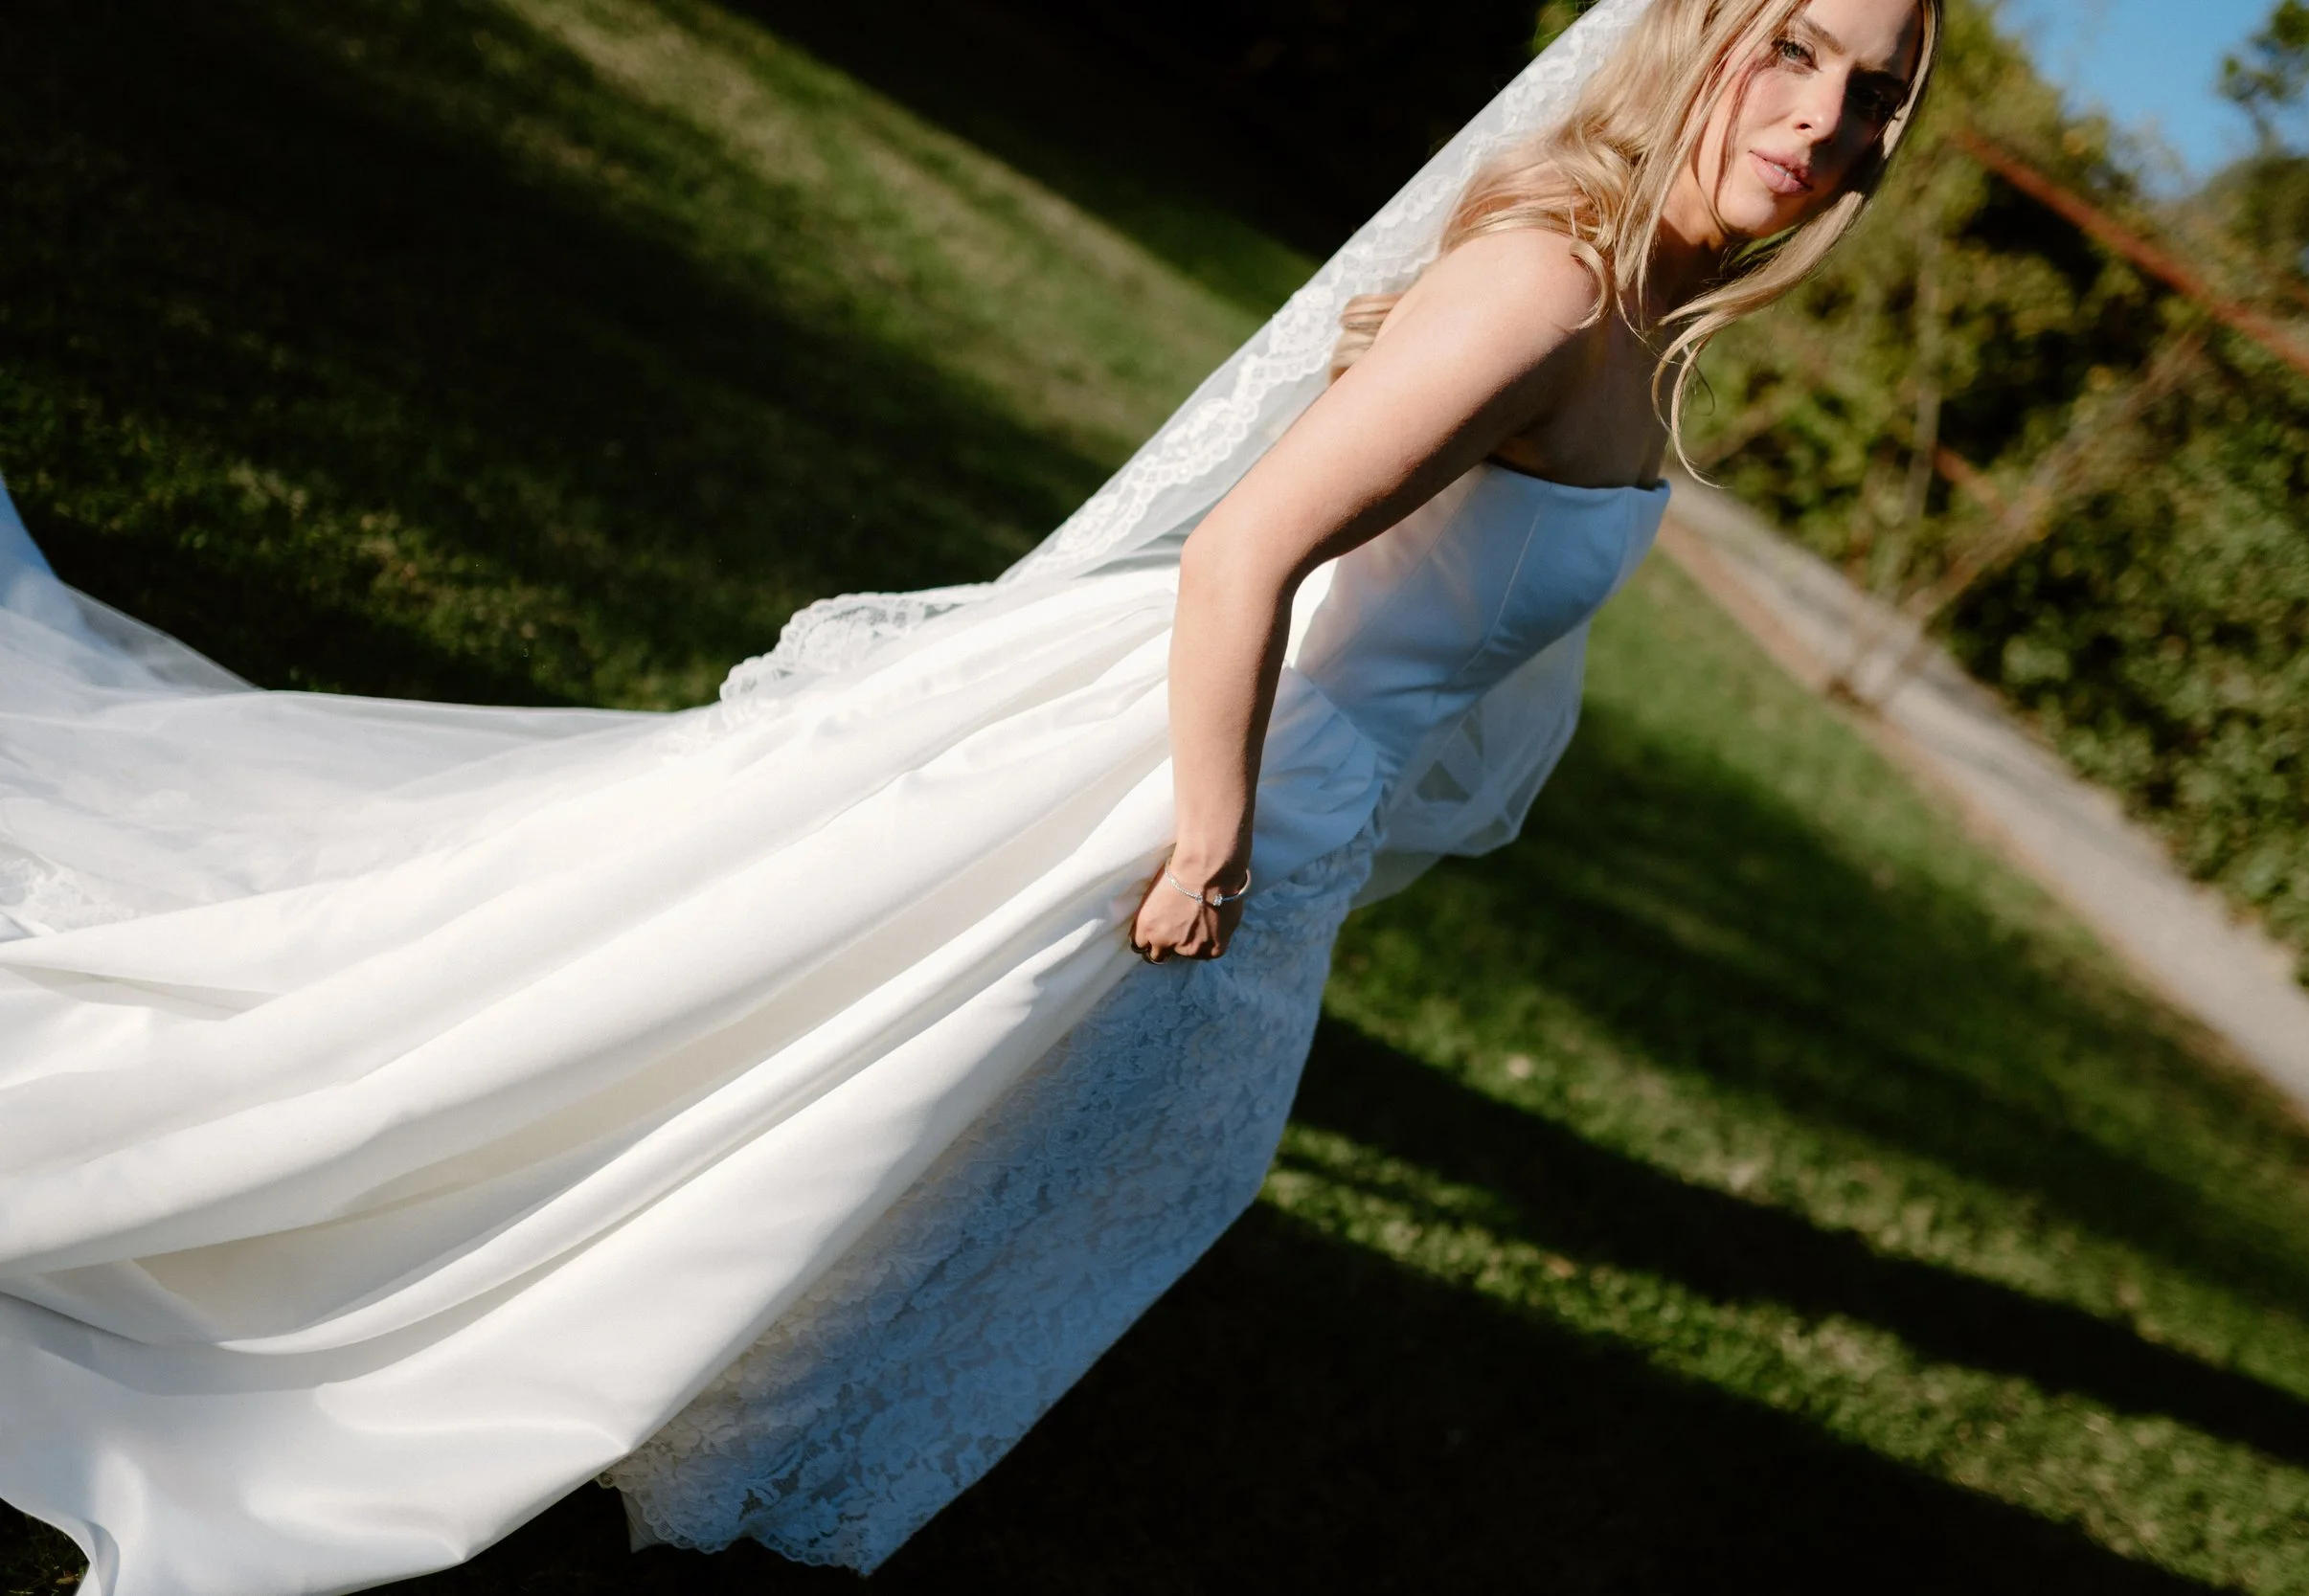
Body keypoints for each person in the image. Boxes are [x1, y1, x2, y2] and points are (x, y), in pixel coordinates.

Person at [0, 0, 1937, 1590]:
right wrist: (1208, 833)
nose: (1821, 119)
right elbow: (1242, 552)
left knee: (888, 1148)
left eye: (1870, 97)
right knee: (764, 1089)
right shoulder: (1542, 286)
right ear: (1698, 34)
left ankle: (688, 1456)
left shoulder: (1622, 313)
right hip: (1162, 804)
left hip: (1268, 810)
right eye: (1793, 52)